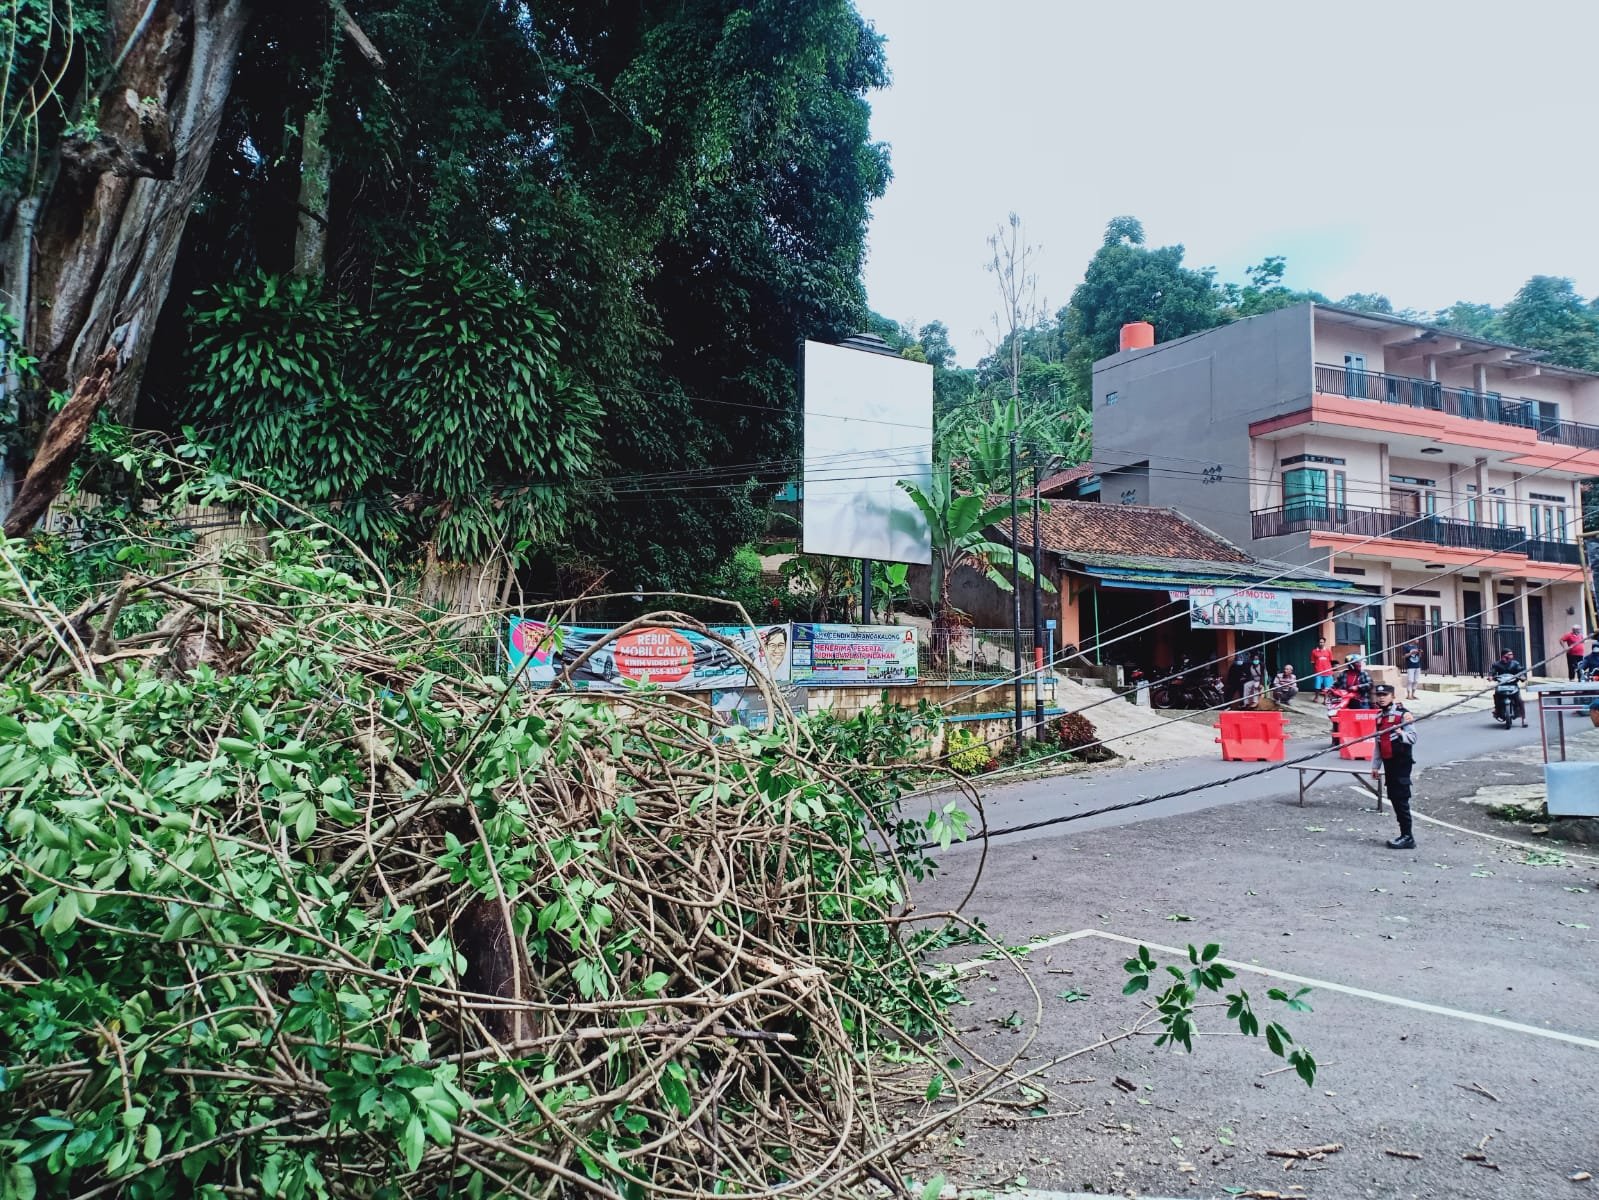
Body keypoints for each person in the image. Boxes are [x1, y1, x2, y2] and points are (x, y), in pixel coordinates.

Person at [1370, 683, 1418, 850]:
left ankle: (1408, 836)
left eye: (1385, 695)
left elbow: (1413, 737)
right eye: (1379, 695)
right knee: (1394, 798)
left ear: (1392, 696)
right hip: (1388, 762)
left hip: (1401, 762)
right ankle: (1404, 834)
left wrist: (1401, 734)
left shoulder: (1403, 715)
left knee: (1401, 798)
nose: (1381, 698)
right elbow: (1378, 743)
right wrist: (1375, 766)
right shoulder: (1378, 717)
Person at [1490, 649, 1527, 725]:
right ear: (1504, 655)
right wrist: (1490, 676)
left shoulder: (1515, 664)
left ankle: (1524, 719)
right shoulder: (1496, 664)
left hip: (1512, 685)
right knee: (1496, 696)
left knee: (1520, 700)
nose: (1511, 656)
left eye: (1511, 654)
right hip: (1501, 685)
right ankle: (1497, 710)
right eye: (1509, 654)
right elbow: (1492, 672)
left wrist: (1522, 676)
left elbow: (1520, 671)